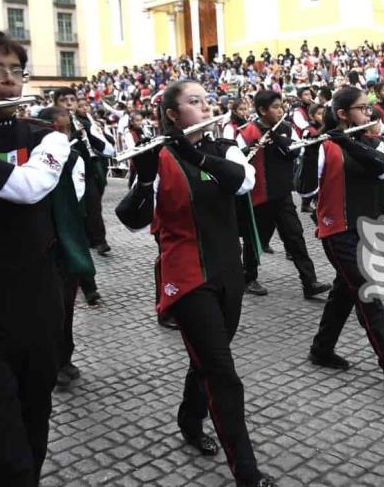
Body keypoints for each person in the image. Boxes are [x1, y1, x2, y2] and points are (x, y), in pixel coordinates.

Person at [114, 80, 277, 487]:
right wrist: (146, 177)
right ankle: (248, 475)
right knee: (222, 373)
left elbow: (242, 183)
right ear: (172, 115)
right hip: (186, 277)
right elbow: (132, 219)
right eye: (194, 102)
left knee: (208, 358)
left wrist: (192, 153)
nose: (206, 108)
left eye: (207, 101)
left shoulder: (226, 148)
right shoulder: (158, 155)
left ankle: (189, 418)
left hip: (228, 272)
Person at [0, 30, 71, 486]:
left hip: (37, 304)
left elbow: (29, 188)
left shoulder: (46, 138)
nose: (8, 80)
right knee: (5, 455)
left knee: (34, 417)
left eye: (16, 70)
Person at [298, 86, 384, 394]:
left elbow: (380, 169)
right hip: (337, 231)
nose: (370, 114)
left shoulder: (376, 143)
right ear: (342, 114)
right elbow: (306, 190)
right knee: (367, 294)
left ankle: (321, 349)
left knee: (343, 292)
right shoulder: (324, 147)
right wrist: (310, 152)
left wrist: (348, 143)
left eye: (369, 108)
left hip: (367, 229)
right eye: (362, 109)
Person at [237, 90, 330, 298]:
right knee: (256, 241)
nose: (281, 110)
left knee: (295, 237)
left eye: (282, 106)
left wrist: (276, 138)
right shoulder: (247, 133)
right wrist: (251, 149)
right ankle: (248, 277)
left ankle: (310, 282)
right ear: (262, 110)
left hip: (283, 195)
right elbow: (235, 162)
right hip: (260, 198)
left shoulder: (286, 129)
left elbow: (297, 151)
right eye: (276, 107)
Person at [36, 106, 98, 389]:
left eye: (66, 129)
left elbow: (78, 195)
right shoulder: (31, 157)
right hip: (38, 242)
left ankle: (64, 357)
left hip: (66, 240)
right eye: (58, 128)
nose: (64, 133)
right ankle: (48, 359)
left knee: (65, 305)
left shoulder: (73, 159)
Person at [54, 88, 115, 257]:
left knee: (94, 205)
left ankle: (100, 241)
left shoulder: (82, 122)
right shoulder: (50, 123)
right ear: (56, 103)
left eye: (72, 100)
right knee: (74, 209)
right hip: (64, 174)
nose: (68, 103)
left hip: (87, 171)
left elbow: (100, 144)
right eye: (63, 100)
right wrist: (75, 136)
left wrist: (100, 135)